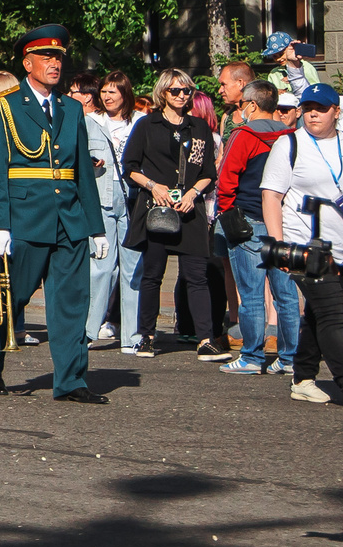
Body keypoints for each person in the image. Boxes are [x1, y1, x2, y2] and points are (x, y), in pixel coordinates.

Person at [0, 26, 109, 402]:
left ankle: (70, 380)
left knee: (70, 303)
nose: (55, 64)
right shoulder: (3, 105)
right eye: (47, 57)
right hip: (25, 218)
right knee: (12, 298)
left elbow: (81, 170)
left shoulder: (70, 108)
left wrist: (95, 227)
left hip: (69, 218)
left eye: (60, 57)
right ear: (27, 62)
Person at [123, 67, 215, 357]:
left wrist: (193, 193)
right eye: (175, 90)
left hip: (190, 210)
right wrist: (154, 187)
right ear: (163, 93)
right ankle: (147, 335)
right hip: (157, 208)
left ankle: (205, 339)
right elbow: (130, 167)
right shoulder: (147, 125)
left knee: (197, 276)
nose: (181, 95)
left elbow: (209, 172)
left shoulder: (199, 128)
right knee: (153, 274)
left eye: (186, 90)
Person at [260, 82, 343, 403]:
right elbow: (271, 196)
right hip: (300, 246)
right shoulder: (290, 144)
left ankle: (303, 377)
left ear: (336, 112)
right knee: (335, 314)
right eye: (307, 108)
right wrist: (277, 244)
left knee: (318, 313)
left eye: (321, 108)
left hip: (337, 246)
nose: (312, 114)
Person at [216, 77, 298, 379]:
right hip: (285, 221)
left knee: (250, 293)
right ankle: (289, 358)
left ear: (251, 105)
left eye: (242, 105)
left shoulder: (244, 134)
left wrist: (226, 212)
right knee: (286, 294)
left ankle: (252, 355)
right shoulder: (292, 135)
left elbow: (226, 179)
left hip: (248, 218)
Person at [84, 72, 137, 351]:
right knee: (101, 267)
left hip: (133, 200)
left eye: (113, 92)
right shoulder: (91, 121)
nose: (106, 97)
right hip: (101, 197)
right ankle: (90, 330)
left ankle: (132, 336)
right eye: (103, 91)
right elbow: (77, 154)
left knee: (132, 268)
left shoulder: (140, 122)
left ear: (125, 94)